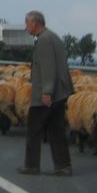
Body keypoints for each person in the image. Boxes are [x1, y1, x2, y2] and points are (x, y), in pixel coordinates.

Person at [18, 10, 75, 176]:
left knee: (34, 129)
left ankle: (32, 165)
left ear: (35, 24)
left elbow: (48, 67)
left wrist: (47, 92)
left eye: (27, 23)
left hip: (46, 94)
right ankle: (64, 166)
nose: (26, 27)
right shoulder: (53, 37)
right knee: (56, 130)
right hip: (60, 92)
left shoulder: (44, 40)